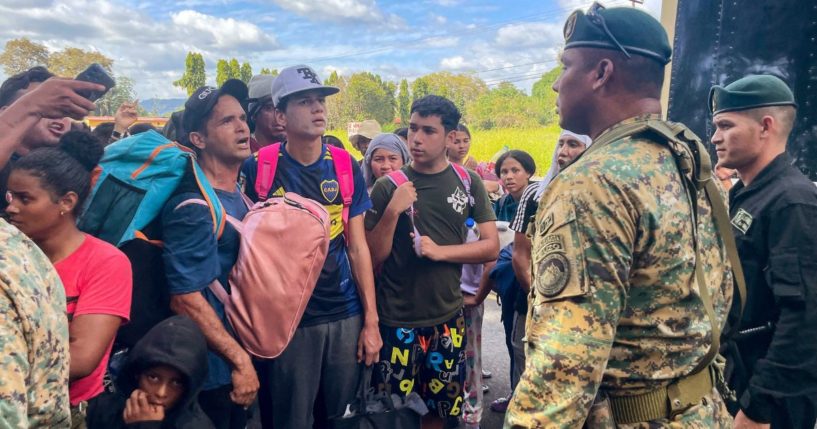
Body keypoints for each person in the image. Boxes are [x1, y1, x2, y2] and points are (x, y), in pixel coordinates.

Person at [505, 4, 736, 427]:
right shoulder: (690, 164)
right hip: (703, 413)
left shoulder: (591, 184)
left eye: (566, 66)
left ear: (601, 73)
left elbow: (563, 371)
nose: (557, 84)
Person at [241, 65, 381, 429]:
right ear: (280, 115)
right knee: (292, 418)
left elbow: (358, 248)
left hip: (343, 311)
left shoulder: (345, 166)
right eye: (305, 101)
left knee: (341, 417)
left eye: (320, 100)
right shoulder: (260, 169)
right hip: (288, 322)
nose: (318, 109)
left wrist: (371, 321)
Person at [366, 95, 499, 429]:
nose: (417, 139)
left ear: (450, 136)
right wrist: (394, 211)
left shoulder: (468, 182)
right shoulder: (388, 186)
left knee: (441, 412)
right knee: (394, 415)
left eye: (428, 130)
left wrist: (441, 252)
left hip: (448, 320)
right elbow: (370, 256)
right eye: (413, 129)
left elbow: (490, 247)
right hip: (397, 321)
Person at [5, 130, 133, 426]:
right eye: (11, 197)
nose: (12, 208)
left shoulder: (105, 263)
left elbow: (82, 358)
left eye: (26, 199)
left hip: (66, 412)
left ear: (66, 202)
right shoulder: (10, 257)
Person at [711, 74, 817, 429]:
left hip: (771, 404)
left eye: (725, 125)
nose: (715, 137)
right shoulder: (749, 193)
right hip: (740, 381)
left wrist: (758, 410)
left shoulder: (792, 202)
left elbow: (804, 321)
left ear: (765, 127)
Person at [161, 79, 259, 429]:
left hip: (234, 359)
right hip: (211, 372)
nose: (242, 126)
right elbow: (185, 298)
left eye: (242, 118)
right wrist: (239, 362)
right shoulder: (194, 206)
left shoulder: (239, 195)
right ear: (198, 139)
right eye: (226, 121)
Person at [490, 131, 591, 414]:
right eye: (561, 143)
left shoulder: (597, 196)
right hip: (533, 301)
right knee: (525, 356)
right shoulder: (535, 194)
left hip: (579, 310)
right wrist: (537, 297)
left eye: (574, 144)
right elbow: (520, 254)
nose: (564, 151)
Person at [461, 149, 536, 428]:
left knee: (524, 347)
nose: (509, 176)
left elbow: (507, 255)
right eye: (504, 172)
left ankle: (525, 404)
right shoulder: (503, 203)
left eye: (515, 170)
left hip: (525, 287)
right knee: (512, 341)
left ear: (529, 172)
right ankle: (517, 396)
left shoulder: (536, 201)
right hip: (507, 286)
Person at [0, 67, 101, 212]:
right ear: (6, 113)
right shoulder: (5, 168)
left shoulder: (72, 172)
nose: (57, 116)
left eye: (62, 109)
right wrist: (31, 106)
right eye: (46, 107)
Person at [87, 315, 214, 429]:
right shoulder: (105, 411)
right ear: (137, 375)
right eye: (153, 378)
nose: (161, 392)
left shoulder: (196, 425)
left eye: (176, 383)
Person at [447, 124, 501, 196]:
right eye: (456, 142)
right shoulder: (443, 169)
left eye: (466, 141)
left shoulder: (475, 168)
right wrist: (465, 172)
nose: (462, 146)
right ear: (446, 143)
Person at [247, 74, 285, 153]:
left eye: (283, 107)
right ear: (254, 114)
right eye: (269, 107)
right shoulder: (243, 154)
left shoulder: (295, 151)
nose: (280, 116)